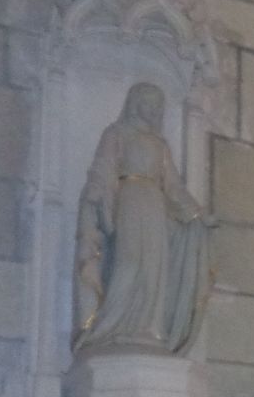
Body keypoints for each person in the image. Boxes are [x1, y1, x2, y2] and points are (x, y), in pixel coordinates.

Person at [74, 82, 212, 354]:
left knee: (153, 268)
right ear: (136, 103)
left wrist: (197, 213)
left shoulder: (160, 144)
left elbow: (174, 186)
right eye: (149, 102)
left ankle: (148, 329)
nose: (154, 109)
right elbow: (103, 167)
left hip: (155, 206)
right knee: (129, 261)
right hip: (129, 200)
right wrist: (96, 190)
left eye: (158, 104)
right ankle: (111, 327)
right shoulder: (116, 133)